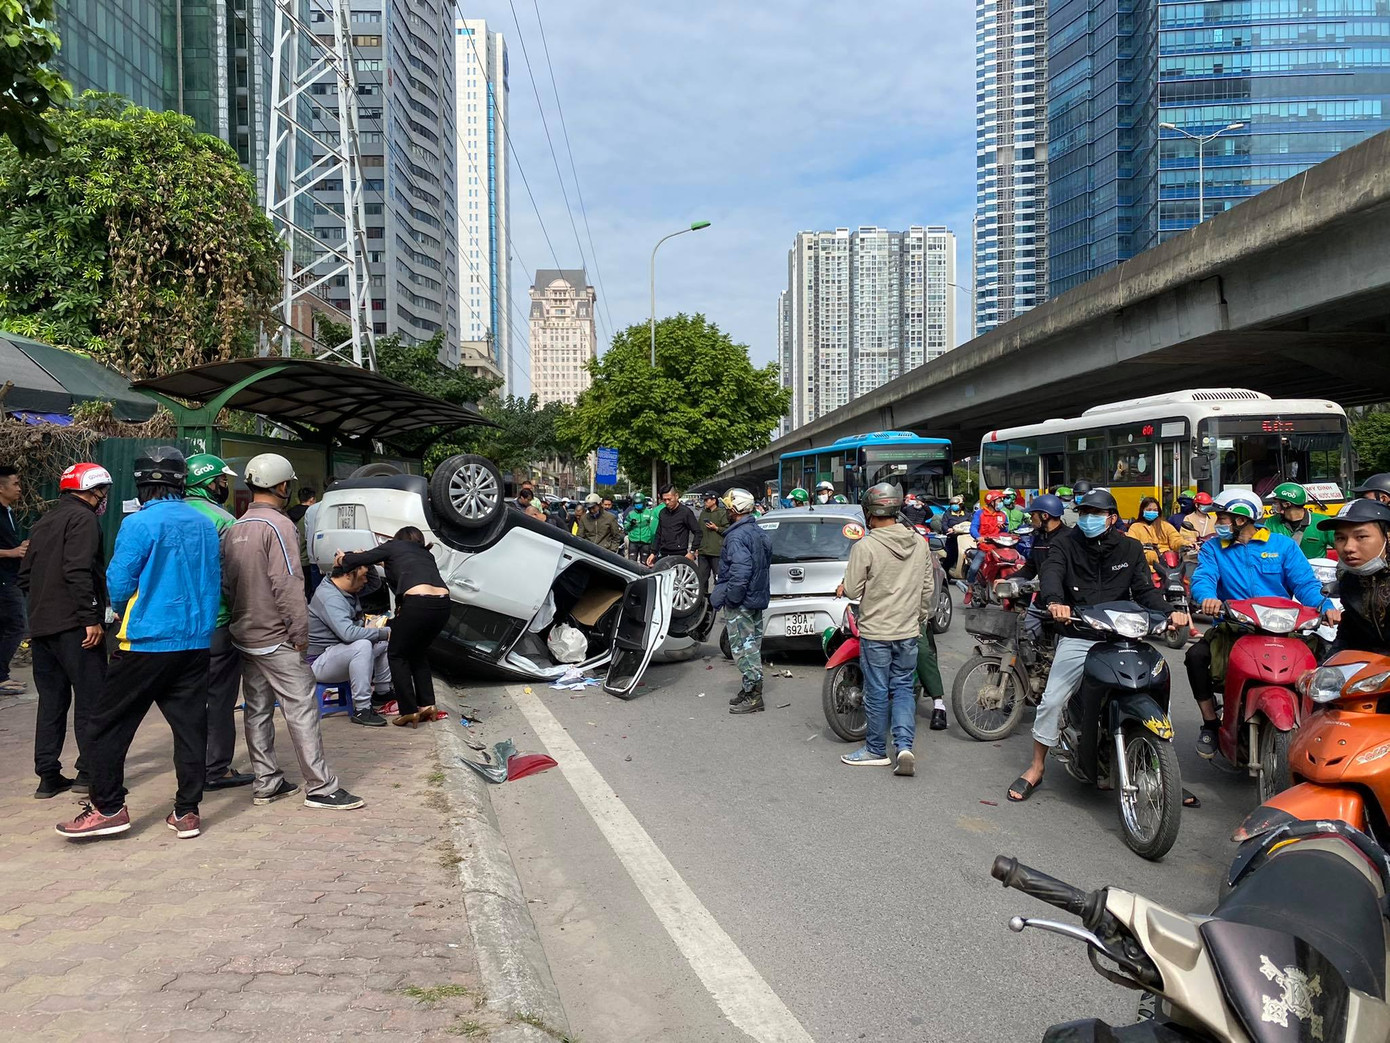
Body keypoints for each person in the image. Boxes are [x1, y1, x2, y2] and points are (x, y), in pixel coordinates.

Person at [56, 448, 222, 840]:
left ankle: (108, 807)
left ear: (142, 484)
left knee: (103, 725)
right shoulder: (203, 523)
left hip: (146, 641)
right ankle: (186, 812)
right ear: (182, 482)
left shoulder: (140, 523)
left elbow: (118, 582)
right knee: (190, 728)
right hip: (196, 641)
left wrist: (116, 607)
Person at [1007, 489, 1184, 802]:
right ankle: (1036, 766)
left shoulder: (1129, 548)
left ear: (1112, 518)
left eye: (1096, 513)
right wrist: (1055, 602)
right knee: (1052, 700)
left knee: (1157, 687)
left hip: (1123, 636)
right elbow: (1052, 574)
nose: (1088, 518)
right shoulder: (1065, 544)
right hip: (1080, 634)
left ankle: (1162, 771)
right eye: (1084, 512)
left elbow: (1144, 591)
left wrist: (1171, 614)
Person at [223, 453, 363, 811]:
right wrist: (300, 634)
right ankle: (320, 786)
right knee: (301, 709)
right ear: (283, 486)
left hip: (245, 634)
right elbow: (287, 585)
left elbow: (227, 584)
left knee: (256, 709)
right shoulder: (279, 526)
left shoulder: (236, 527)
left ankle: (266, 781)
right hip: (277, 637)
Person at [1186, 489, 1331, 759]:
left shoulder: (1282, 546)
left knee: (1327, 661)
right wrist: (1207, 597)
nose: (1218, 521)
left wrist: (1326, 607)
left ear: (1241, 519)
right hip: (1234, 628)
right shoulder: (1212, 548)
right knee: (1196, 657)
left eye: (1223, 517)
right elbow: (1204, 577)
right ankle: (1209, 724)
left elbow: (1305, 584)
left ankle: (1320, 726)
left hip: (1283, 629)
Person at [21, 463, 111, 799]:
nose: (104, 498)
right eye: (102, 490)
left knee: (52, 701)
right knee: (92, 699)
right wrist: (90, 617)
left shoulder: (45, 521)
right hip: (75, 626)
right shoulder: (84, 520)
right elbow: (78, 570)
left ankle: (47, 776)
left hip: (42, 627)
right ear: (91, 490)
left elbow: (25, 574)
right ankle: (89, 775)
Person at [835, 483, 934, 776]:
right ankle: (904, 746)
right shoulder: (919, 543)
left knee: (877, 690)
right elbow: (927, 589)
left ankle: (876, 750)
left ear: (870, 512)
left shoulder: (865, 546)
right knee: (903, 687)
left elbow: (852, 589)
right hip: (907, 630)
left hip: (877, 632)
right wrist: (919, 620)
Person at [183, 454, 255, 792]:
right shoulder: (222, 519)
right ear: (207, 482)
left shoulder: (165, 515)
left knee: (185, 701)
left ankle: (189, 766)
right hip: (217, 622)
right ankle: (216, 769)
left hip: (177, 627)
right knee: (220, 699)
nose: (224, 486)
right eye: (221, 480)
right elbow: (235, 576)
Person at [338, 526, 451, 727]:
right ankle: (427, 705)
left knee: (397, 655)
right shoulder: (425, 554)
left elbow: (355, 560)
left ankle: (408, 710)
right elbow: (398, 567)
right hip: (442, 604)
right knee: (418, 652)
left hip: (417, 604)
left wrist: (342, 558)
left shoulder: (393, 546)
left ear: (398, 539)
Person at [710, 488, 772, 714]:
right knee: (752, 645)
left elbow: (740, 572)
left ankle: (754, 697)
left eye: (728, 506)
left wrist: (732, 599)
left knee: (744, 650)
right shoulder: (758, 532)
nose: (726, 510)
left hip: (742, 602)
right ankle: (748, 690)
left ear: (735, 509)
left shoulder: (736, 536)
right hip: (756, 599)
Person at [309, 563, 392, 727]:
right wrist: (382, 633)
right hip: (318, 663)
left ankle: (382, 692)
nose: (366, 580)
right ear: (348, 574)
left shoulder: (345, 587)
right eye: (363, 576)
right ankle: (362, 709)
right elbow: (348, 634)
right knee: (363, 645)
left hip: (337, 653)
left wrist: (366, 558)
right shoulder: (330, 597)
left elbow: (375, 584)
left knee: (384, 636)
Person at [1318, 500, 1390, 656]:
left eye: (1361, 537)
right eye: (1340, 538)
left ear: (1388, 538)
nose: (1348, 548)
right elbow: (1348, 633)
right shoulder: (1350, 579)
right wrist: (1324, 670)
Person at [0, 465, 29, 695]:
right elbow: (10, 550)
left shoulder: (8, 512)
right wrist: (11, 552)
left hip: (10, 577)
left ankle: (3, 676)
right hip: (3, 581)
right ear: (1, 488)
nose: (19, 488)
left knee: (6, 627)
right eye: (15, 484)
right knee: (17, 626)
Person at [1264, 482, 1334, 560]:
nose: (1273, 506)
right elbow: (1264, 549)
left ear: (1286, 504)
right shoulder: (1271, 522)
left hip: (1314, 571)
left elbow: (1342, 546)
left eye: (1276, 503)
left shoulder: (1322, 522)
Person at [646, 484, 701, 566]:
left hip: (680, 554)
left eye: (669, 499)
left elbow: (698, 532)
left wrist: (692, 551)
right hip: (663, 553)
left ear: (676, 496)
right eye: (664, 500)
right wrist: (653, 553)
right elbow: (658, 533)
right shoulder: (662, 513)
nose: (667, 502)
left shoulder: (685, 512)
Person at [1126, 495, 1187, 566]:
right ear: (1143, 510)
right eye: (1149, 510)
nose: (1152, 512)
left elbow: (1176, 540)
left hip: (1166, 564)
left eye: (1155, 510)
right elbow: (1132, 546)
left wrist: (1185, 544)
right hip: (1145, 566)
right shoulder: (1135, 527)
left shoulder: (1165, 525)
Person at [965, 490, 1008, 586]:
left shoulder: (1003, 515)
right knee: (974, 568)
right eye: (999, 500)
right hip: (985, 547)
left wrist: (1004, 529)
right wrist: (978, 537)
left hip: (999, 548)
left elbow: (1006, 532)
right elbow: (973, 528)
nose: (1001, 503)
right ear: (991, 502)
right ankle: (970, 587)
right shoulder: (980, 513)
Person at [696, 490, 729, 591]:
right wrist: (696, 547)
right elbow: (699, 531)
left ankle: (718, 601)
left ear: (714, 500)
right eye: (704, 500)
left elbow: (728, 529)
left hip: (716, 552)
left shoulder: (722, 513)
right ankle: (703, 602)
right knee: (701, 579)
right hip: (703, 552)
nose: (705, 502)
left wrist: (716, 528)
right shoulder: (703, 513)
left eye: (707, 500)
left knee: (718, 578)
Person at [624, 492, 657, 562]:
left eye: (640, 503)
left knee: (644, 562)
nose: (638, 505)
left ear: (644, 503)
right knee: (631, 562)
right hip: (633, 540)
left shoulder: (650, 513)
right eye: (636, 504)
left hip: (646, 541)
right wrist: (631, 524)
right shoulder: (631, 514)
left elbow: (653, 527)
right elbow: (626, 527)